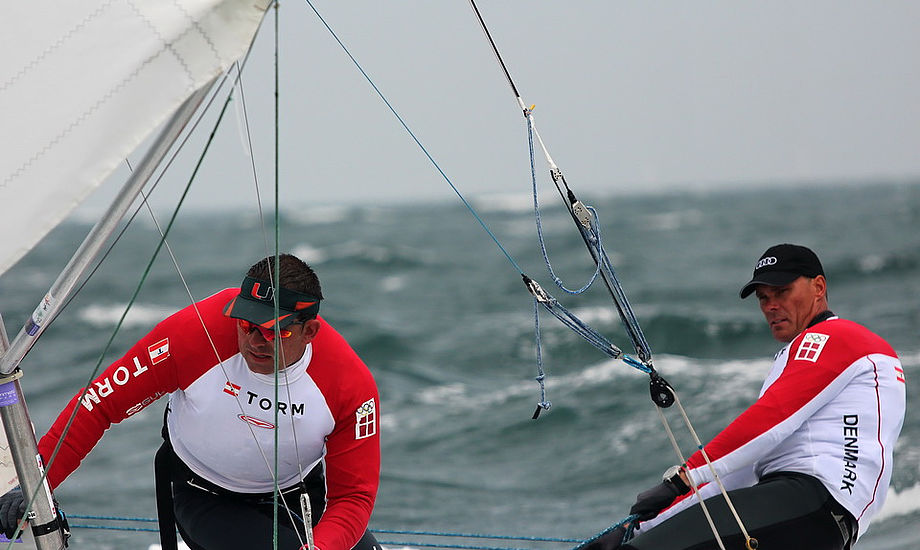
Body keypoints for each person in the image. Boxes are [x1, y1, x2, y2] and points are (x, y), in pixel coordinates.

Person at [0, 254, 382, 550]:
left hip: (299, 496)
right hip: (206, 497)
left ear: (309, 331)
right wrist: (38, 485)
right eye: (247, 325)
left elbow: (354, 497)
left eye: (273, 332)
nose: (254, 342)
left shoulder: (350, 384)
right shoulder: (193, 335)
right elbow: (98, 404)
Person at [585, 244, 906, 550]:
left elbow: (770, 419)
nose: (770, 306)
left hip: (808, 501)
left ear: (819, 287)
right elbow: (747, 463)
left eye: (781, 292)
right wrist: (641, 526)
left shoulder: (836, 338)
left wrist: (681, 480)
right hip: (823, 522)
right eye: (763, 298)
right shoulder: (805, 355)